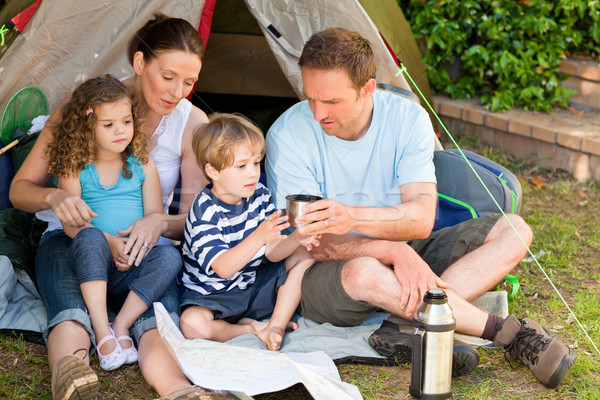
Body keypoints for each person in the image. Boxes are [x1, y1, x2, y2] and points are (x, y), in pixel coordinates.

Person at [265, 27, 576, 389]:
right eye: (310, 98)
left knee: (515, 230)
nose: (318, 113)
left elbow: (421, 218)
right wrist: (392, 250)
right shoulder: (288, 135)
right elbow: (313, 244)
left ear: (368, 88)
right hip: (325, 274)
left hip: (405, 252)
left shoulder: (407, 119)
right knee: (364, 270)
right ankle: (505, 333)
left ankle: (409, 325)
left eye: (332, 102)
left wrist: (379, 234)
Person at [9, 14, 233, 400]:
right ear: (140, 62)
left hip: (142, 247)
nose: (177, 91)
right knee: (68, 309)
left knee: (158, 320)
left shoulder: (192, 123)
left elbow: (194, 220)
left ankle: (179, 391)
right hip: (71, 238)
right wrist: (55, 197)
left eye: (189, 81)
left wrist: (159, 224)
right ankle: (71, 378)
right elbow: (19, 190)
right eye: (167, 76)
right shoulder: (83, 108)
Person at [45, 75, 182, 371]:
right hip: (90, 260)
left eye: (126, 121)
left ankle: (121, 324)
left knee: (170, 256)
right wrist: (111, 242)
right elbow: (71, 226)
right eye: (109, 125)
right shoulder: (76, 167)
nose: (121, 131)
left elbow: (154, 219)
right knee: (91, 237)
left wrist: (137, 249)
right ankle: (101, 329)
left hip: (131, 262)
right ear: (87, 127)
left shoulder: (143, 164)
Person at [179, 113, 317, 351]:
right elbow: (223, 268)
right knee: (193, 325)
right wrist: (259, 236)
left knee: (304, 255)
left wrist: (297, 238)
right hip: (212, 295)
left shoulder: (260, 195)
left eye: (256, 163)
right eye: (242, 166)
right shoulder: (205, 210)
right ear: (213, 171)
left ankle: (276, 324)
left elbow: (272, 253)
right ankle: (250, 329)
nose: (253, 173)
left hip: (250, 284)